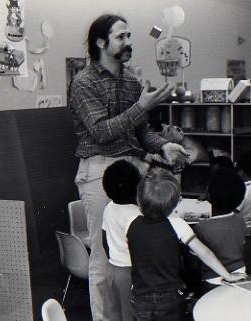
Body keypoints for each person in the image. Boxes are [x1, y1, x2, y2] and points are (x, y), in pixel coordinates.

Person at [69, 14, 188, 321]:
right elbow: (101, 132)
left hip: (131, 169)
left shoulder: (132, 80)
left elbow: (140, 132)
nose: (128, 42)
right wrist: (141, 108)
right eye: (121, 36)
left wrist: (163, 145)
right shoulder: (83, 82)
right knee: (103, 258)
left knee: (135, 251)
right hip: (98, 170)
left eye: (129, 36)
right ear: (101, 42)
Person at [127, 168, 243, 321]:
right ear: (175, 204)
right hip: (171, 298)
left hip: (140, 297)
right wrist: (227, 275)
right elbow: (204, 253)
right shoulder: (177, 224)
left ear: (138, 200)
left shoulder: (131, 223)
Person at [193, 168, 247, 294]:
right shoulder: (240, 220)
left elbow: (194, 263)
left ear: (209, 195)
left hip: (212, 280)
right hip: (240, 273)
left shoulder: (202, 227)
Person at [101, 160, 141, 321]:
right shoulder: (137, 214)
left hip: (113, 269)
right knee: (130, 313)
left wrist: (113, 258)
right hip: (131, 271)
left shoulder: (109, 207)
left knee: (114, 311)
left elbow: (104, 239)